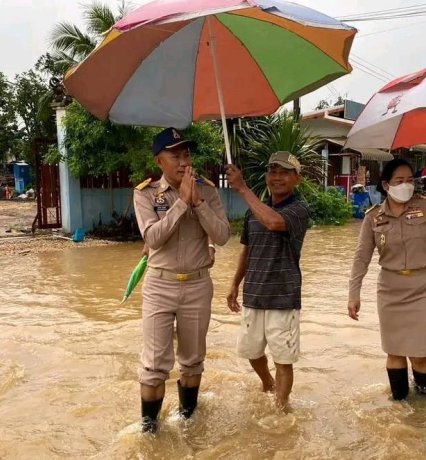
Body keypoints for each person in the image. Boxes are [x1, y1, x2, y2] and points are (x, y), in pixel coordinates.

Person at [133, 127, 230, 433]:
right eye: (175, 155)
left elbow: (223, 236)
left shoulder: (208, 190)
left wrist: (199, 203)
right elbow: (153, 238)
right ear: (159, 160)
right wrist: (180, 204)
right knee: (154, 365)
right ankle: (149, 430)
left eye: (186, 154)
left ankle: (188, 420)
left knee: (192, 360)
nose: (183, 161)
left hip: (198, 285)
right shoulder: (145, 193)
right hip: (160, 285)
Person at [348, 158, 426, 400]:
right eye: (399, 181)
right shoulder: (373, 217)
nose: (406, 185)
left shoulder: (425, 208)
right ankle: (400, 403)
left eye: (410, 180)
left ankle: (423, 402)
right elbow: (361, 257)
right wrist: (354, 294)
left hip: (425, 287)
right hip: (390, 289)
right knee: (394, 351)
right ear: (386, 184)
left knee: (420, 353)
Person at [225, 152, 310, 410]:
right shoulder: (254, 212)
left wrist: (241, 187)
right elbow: (246, 249)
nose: (277, 177)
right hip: (254, 294)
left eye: (284, 172)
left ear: (297, 178)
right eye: (273, 171)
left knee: (284, 359)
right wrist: (234, 284)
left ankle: (281, 407)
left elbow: (274, 222)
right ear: (266, 177)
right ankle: (267, 383)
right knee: (251, 352)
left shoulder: (299, 208)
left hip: (283, 297)